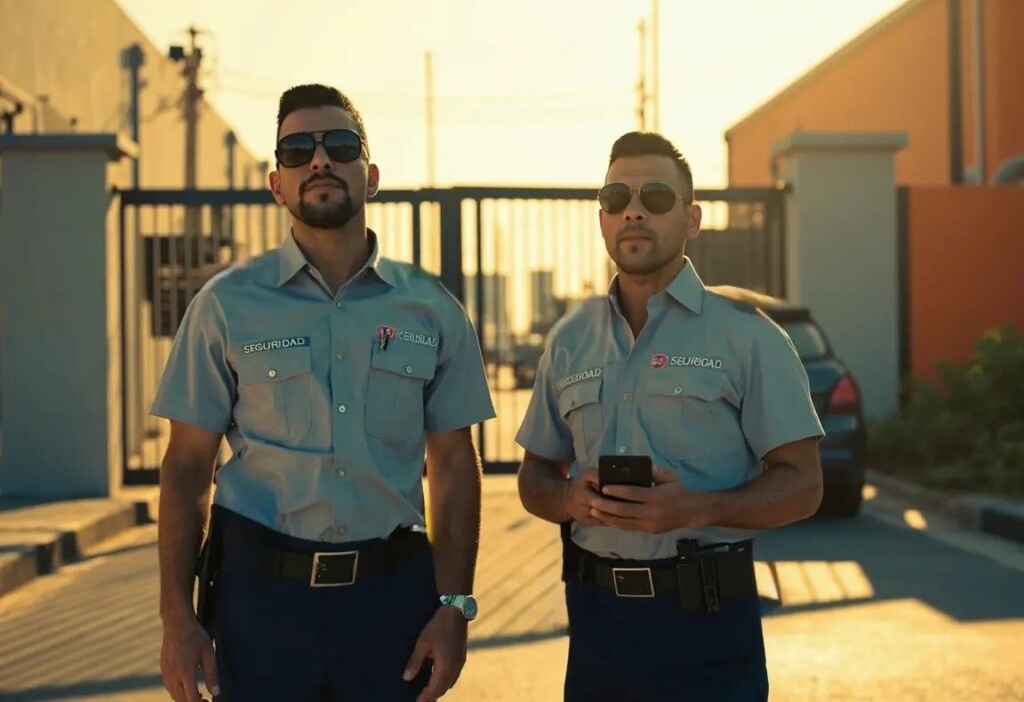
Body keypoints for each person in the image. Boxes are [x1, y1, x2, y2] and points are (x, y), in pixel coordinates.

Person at [155, 84, 494, 702]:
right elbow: (185, 467)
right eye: (296, 151)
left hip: (389, 607)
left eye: (340, 145)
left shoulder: (431, 308)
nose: (319, 160)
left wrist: (455, 608)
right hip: (260, 606)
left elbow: (453, 465)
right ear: (276, 184)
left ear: (371, 176)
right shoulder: (226, 305)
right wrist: (177, 618)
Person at [515, 131, 824, 701]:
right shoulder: (569, 341)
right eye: (616, 198)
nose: (633, 211)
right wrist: (568, 499)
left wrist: (696, 508)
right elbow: (534, 475)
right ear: (603, 219)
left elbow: (804, 485)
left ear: (693, 219)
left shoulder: (748, 336)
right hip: (598, 632)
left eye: (655, 197)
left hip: (708, 630)